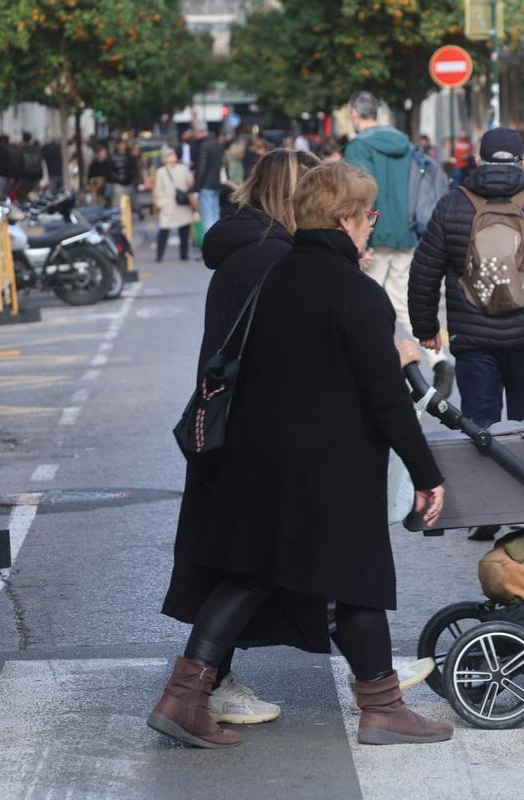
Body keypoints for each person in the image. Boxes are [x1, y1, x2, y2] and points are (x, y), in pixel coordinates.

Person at [148, 160, 451, 749]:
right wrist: (427, 472)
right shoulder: (357, 295)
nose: (372, 222)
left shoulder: (275, 277)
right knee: (356, 577)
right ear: (344, 220)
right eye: (368, 213)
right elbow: (386, 400)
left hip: (258, 458)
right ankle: (382, 709)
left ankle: (185, 697)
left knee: (251, 575)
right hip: (329, 467)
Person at [162, 149, 322, 727]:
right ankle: (209, 685)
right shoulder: (270, 256)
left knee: (245, 556)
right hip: (251, 426)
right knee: (247, 561)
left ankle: (371, 669)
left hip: (230, 422)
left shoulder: (250, 247)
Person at [409, 126, 524, 429]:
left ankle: (484, 476)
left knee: (479, 426)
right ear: (521, 163)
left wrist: (425, 327)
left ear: (479, 161)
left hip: (473, 339)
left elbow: (424, 272)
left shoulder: (452, 205)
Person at [345, 90, 454, 394]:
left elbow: (364, 197)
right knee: (404, 303)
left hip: (374, 236)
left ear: (355, 114)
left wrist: (361, 240)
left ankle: (372, 373)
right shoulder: (403, 144)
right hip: (407, 233)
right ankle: (438, 360)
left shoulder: (357, 148)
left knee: (362, 308)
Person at [154, 147, 194, 261]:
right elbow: (158, 189)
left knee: (184, 229)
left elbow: (190, 182)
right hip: (168, 204)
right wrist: (160, 203)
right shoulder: (160, 171)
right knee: (164, 229)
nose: (173, 157)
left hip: (182, 204)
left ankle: (184, 254)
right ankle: (159, 254)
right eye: (170, 155)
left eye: (174, 155)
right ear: (165, 158)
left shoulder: (183, 168)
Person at [193, 126, 224, 233]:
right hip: (217, 183)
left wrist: (196, 188)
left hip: (206, 184)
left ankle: (209, 244)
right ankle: (218, 241)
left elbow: (201, 168)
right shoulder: (217, 144)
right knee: (215, 214)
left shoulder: (204, 145)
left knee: (207, 217)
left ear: (199, 132)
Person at [109, 137, 139, 210]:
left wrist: (131, 178)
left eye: (123, 144)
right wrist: (116, 178)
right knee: (118, 204)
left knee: (130, 204)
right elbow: (110, 170)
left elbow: (134, 169)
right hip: (118, 184)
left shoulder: (130, 157)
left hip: (128, 183)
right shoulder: (112, 157)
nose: (122, 146)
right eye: (121, 144)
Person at [18, 131, 44, 199]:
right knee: (35, 198)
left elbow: (18, 164)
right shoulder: (36, 148)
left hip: (25, 177)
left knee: (24, 199)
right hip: (36, 177)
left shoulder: (21, 149)